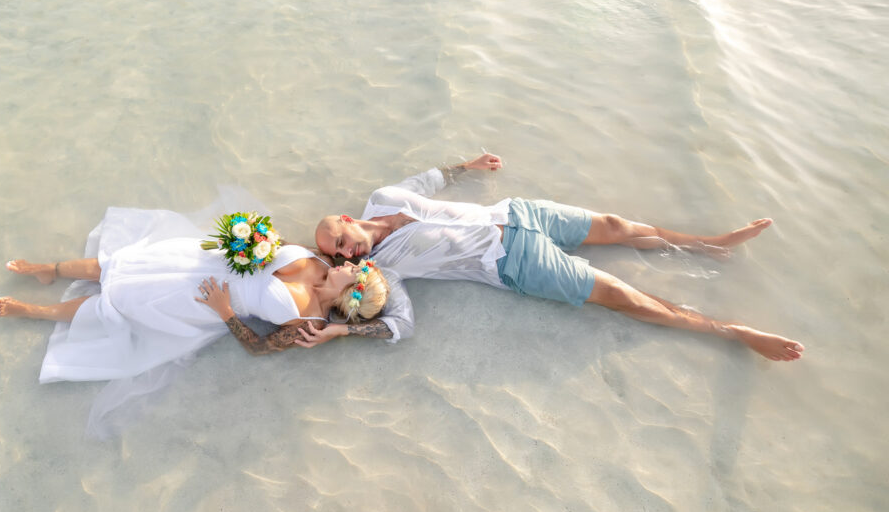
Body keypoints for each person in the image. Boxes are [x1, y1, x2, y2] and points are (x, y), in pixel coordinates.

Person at [308, 153, 804, 361]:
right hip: (512, 262)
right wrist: (340, 328)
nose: (345, 254)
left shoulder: (382, 198)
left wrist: (468, 166)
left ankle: (707, 244)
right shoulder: (378, 271)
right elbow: (400, 325)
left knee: (615, 226)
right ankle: (732, 331)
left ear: (349, 221)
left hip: (517, 213)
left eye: (340, 243)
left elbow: (428, 180)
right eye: (337, 256)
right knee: (620, 296)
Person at [0, 206, 393, 385]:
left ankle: (36, 311)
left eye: (355, 271)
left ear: (351, 296)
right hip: (211, 262)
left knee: (121, 301)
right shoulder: (321, 262)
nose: (348, 262)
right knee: (123, 264)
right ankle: (50, 269)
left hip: (207, 299)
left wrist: (225, 313)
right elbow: (283, 242)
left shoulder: (309, 325)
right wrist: (258, 237)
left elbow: (259, 347)